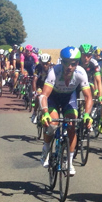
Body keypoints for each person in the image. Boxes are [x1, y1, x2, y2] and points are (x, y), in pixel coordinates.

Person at [39, 47, 91, 177]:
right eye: (66, 63)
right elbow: (44, 95)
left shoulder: (81, 72)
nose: (69, 66)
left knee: (72, 126)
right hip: (53, 98)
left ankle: (69, 162)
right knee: (52, 124)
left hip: (69, 98)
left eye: (73, 63)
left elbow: (88, 97)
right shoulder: (54, 71)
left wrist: (87, 114)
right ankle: (46, 149)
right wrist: (45, 112)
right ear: (61, 61)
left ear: (77, 63)